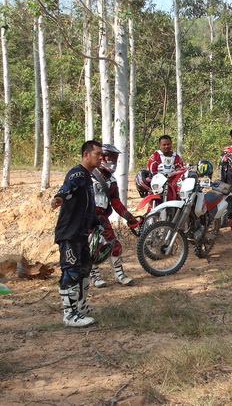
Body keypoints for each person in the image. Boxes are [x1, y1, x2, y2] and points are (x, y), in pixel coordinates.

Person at [51, 140, 102, 328]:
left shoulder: (89, 177)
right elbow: (68, 187)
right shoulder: (78, 173)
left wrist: (96, 222)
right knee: (71, 271)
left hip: (81, 233)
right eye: (97, 154)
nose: (101, 158)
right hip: (69, 233)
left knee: (84, 268)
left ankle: (80, 306)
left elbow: (86, 205)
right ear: (86, 154)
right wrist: (59, 197)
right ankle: (70, 314)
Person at [89, 144, 139, 289]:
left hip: (102, 218)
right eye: (108, 157)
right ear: (101, 157)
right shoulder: (88, 176)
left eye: (114, 158)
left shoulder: (112, 181)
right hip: (87, 218)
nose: (112, 161)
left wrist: (129, 217)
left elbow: (115, 202)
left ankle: (119, 275)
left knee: (114, 245)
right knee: (92, 246)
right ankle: (94, 276)